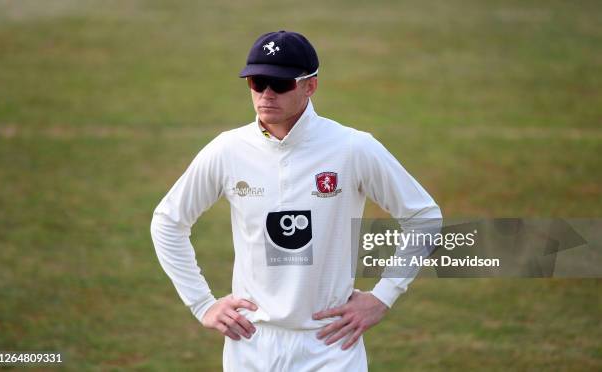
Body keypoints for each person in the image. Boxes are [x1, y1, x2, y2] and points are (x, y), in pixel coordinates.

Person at [150, 30, 442, 371]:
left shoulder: (352, 148)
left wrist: (384, 295)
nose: (266, 95)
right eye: (257, 83)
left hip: (331, 345)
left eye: (280, 84)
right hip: (250, 347)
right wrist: (202, 304)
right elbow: (168, 221)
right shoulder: (227, 150)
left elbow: (424, 216)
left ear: (310, 86)